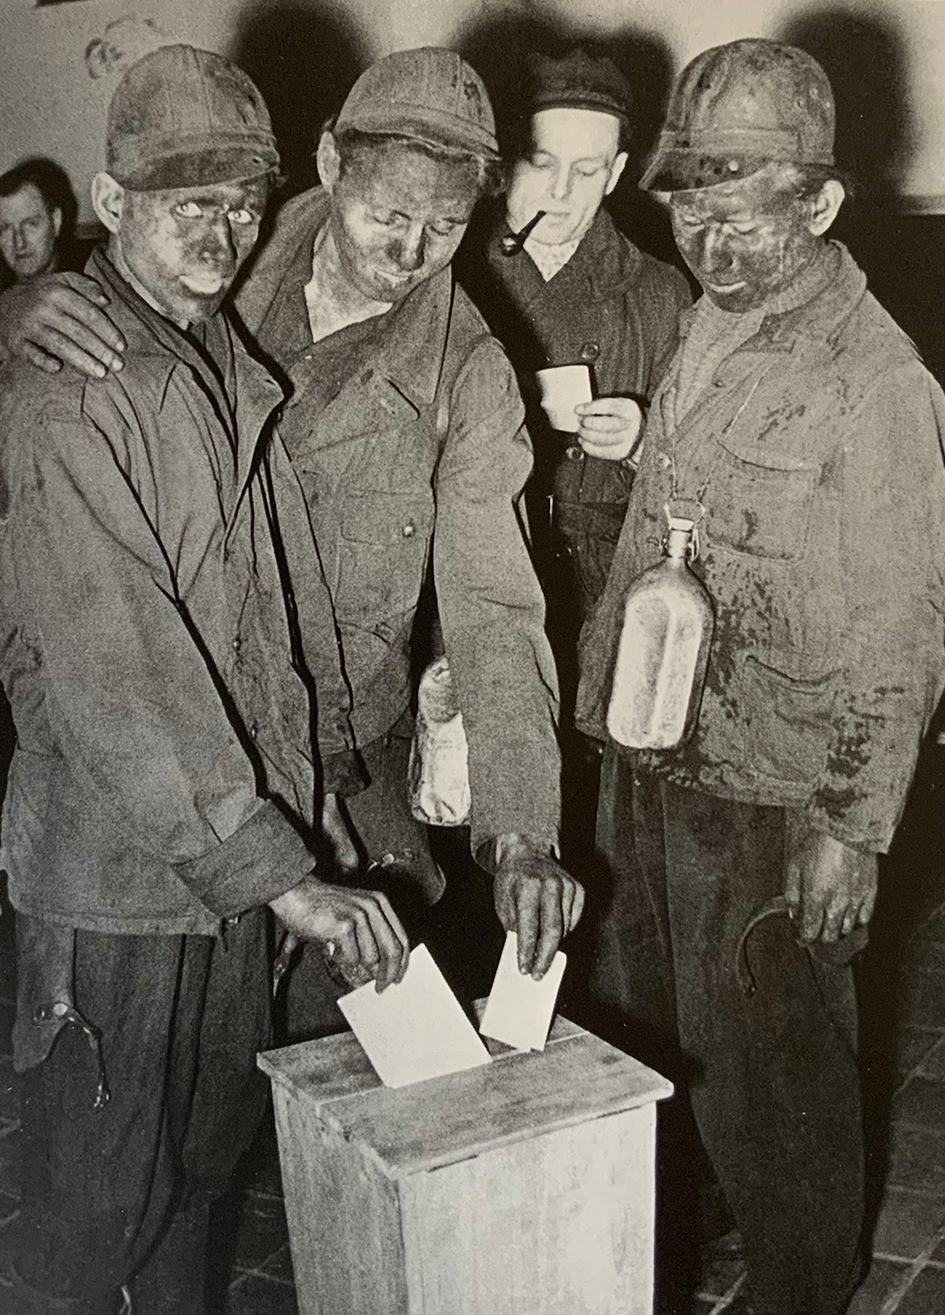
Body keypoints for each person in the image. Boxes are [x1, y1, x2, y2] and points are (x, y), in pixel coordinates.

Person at [0, 47, 584, 995]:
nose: (408, 253)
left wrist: (520, 832)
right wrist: (8, 314)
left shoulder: (467, 370)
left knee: (322, 1073)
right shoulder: (227, 247)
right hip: (156, 762)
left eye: (442, 228)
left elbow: (494, 602)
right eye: (388, 216)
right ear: (327, 164)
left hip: (341, 773)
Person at [0, 45, 409, 1315]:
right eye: (192, 203)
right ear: (112, 207)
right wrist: (280, 875)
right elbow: (121, 668)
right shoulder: (75, 392)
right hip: (119, 875)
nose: (226, 229)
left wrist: (317, 819)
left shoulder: (226, 367)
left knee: (203, 1174)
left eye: (245, 201)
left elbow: (261, 634)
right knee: (97, 1201)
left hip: (231, 865)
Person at [577, 39, 945, 1315]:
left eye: (741, 222)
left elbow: (907, 627)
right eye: (690, 216)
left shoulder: (878, 382)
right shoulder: (712, 325)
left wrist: (851, 828)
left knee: (779, 1081)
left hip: (777, 789)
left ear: (823, 204)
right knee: (663, 1050)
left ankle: (801, 1290)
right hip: (656, 762)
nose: (712, 251)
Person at [465, 48, 690, 624]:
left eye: (586, 171)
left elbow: (698, 477)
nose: (561, 193)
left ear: (615, 174)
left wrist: (642, 442)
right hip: (472, 570)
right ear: (505, 161)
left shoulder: (659, 293)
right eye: (541, 163)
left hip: (602, 592)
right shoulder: (450, 271)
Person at [0, 158, 76, 288]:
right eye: (5, 228)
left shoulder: (86, 282)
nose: (19, 243)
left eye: (31, 224)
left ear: (56, 221)